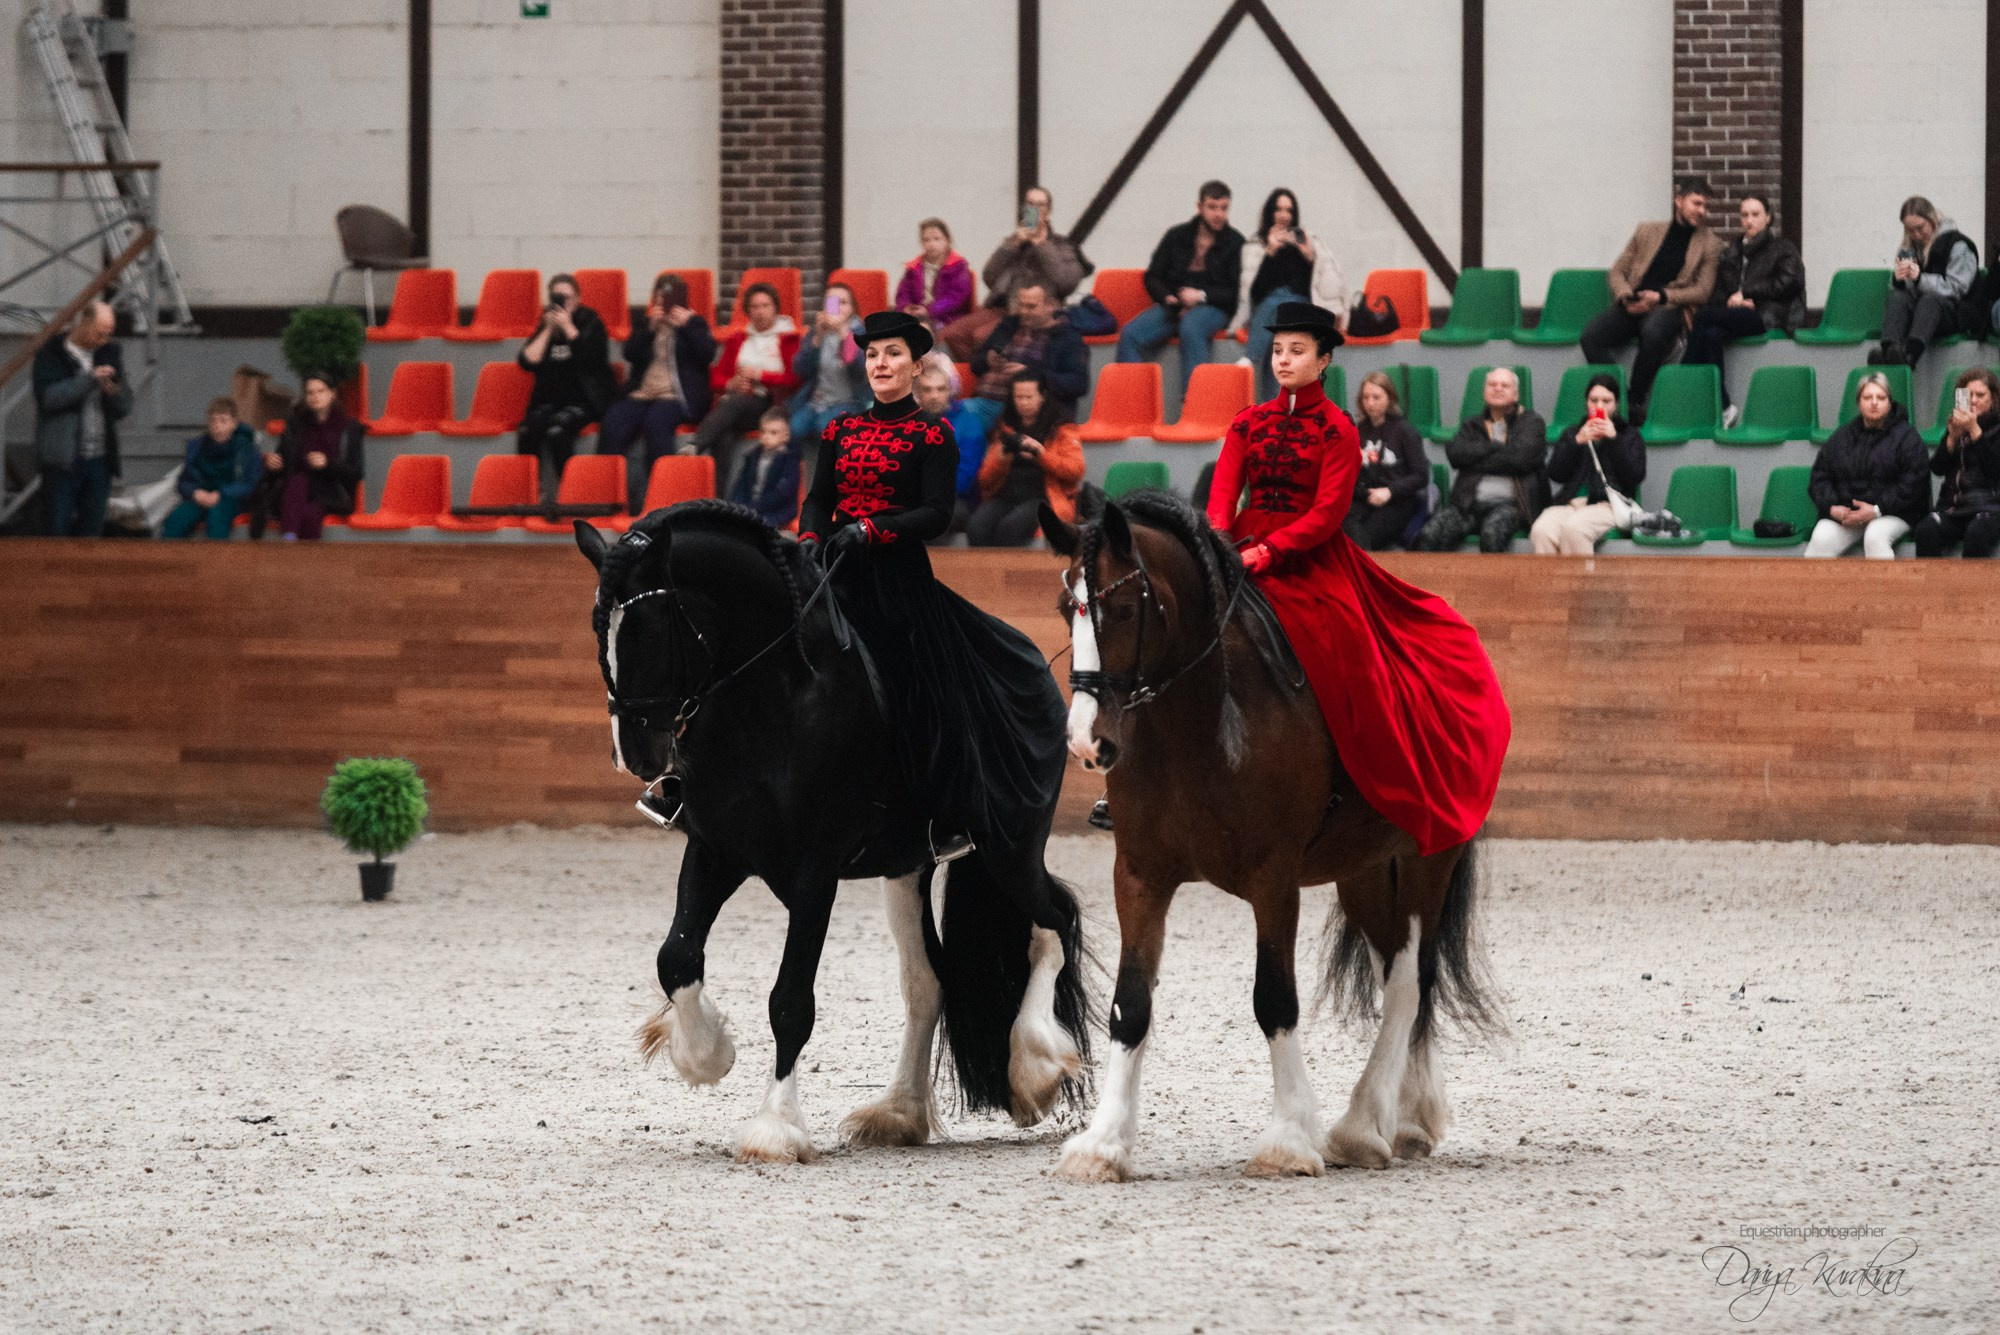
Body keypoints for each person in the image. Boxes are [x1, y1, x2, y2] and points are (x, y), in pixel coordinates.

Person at [1199, 300, 1509, 857]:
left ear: (1322, 363)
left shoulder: (1337, 430)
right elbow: (1221, 496)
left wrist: (1268, 552)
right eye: (1277, 351)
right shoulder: (1246, 423)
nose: (1284, 360)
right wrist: (1220, 544)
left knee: (1350, 652)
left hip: (1310, 557)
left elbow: (1326, 513)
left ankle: (1353, 782)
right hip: (1239, 550)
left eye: (1296, 351)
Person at [798, 310, 1065, 864]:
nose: (881, 364)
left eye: (892, 354)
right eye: (873, 355)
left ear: (916, 365)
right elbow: (819, 498)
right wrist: (808, 537)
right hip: (832, 571)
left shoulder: (931, 433)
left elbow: (937, 514)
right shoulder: (839, 428)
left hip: (897, 583)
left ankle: (943, 817)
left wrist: (872, 529)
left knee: (924, 692)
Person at [1580, 179, 1723, 418]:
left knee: (1654, 333)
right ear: (1679, 201)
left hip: (1667, 306)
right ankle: (1620, 396)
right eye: (1696, 203)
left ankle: (1635, 400)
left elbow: (1702, 290)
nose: (1701, 211)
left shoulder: (1710, 243)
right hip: (1633, 303)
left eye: (1705, 206)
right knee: (1590, 337)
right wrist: (1626, 295)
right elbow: (1616, 271)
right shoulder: (1647, 231)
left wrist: (1661, 296)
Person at [600, 272, 717, 513]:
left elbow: (706, 354)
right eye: (660, 297)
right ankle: (610, 499)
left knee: (657, 425)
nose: (665, 303)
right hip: (643, 393)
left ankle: (661, 499)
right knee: (612, 423)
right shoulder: (646, 324)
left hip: (675, 395)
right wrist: (650, 328)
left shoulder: (694, 323)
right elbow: (630, 354)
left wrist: (686, 327)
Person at [1683, 195, 1805, 424]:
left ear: (1768, 218)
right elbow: (1719, 291)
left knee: (1702, 317)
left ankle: (1684, 381)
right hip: (1735, 314)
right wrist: (1732, 301)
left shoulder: (1782, 248)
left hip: (1766, 315)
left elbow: (1790, 281)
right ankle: (1725, 407)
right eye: (1745, 215)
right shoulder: (1733, 250)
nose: (1750, 220)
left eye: (1756, 214)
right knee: (1709, 334)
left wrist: (1748, 294)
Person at [1117, 180, 1244, 395]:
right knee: (1130, 334)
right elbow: (1153, 276)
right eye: (1212, 207)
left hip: (1214, 306)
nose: (1218, 214)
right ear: (1200, 207)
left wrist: (1201, 296)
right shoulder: (1177, 236)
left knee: (1192, 326)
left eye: (1224, 208)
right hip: (1174, 306)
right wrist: (1168, 299)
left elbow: (1236, 293)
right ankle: (1132, 402)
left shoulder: (1236, 242)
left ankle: (1195, 408)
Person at [943, 184, 1092, 360]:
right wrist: (1010, 246)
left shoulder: (1063, 246)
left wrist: (1041, 244)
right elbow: (989, 278)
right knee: (953, 334)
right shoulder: (1014, 243)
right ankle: (983, 375)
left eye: (1040, 205)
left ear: (1048, 213)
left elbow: (1066, 283)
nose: (1035, 209)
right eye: (1030, 204)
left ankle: (990, 377)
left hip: (1032, 311)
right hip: (1001, 306)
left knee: (981, 337)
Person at [1233, 188, 1347, 403]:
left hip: (1300, 303)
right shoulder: (1258, 245)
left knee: (1281, 306)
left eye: (1289, 210)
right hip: (1269, 310)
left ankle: (1250, 357)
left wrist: (1310, 258)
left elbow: (1323, 283)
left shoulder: (1306, 241)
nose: (1284, 215)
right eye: (1279, 210)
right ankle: (1277, 408)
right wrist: (1270, 253)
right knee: (1277, 348)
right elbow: (1254, 292)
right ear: (1270, 212)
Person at [1415, 367, 1549, 552]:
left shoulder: (1531, 422)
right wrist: (1496, 447)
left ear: (1516, 394)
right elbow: (1456, 455)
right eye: (1492, 384)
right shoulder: (1472, 424)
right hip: (1468, 504)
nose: (1498, 388)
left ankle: (1494, 582)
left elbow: (1520, 460)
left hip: (1512, 506)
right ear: (1485, 391)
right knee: (1429, 534)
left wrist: (1476, 459)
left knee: (1492, 535)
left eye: (1505, 385)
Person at [33, 300, 131, 537]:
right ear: (84, 323)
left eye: (108, 334)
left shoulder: (109, 354)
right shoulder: (51, 353)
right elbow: (49, 398)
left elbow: (125, 406)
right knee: (57, 530)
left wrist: (113, 392)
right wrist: (89, 380)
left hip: (99, 460)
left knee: (92, 533)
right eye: (99, 333)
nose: (103, 340)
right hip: (63, 460)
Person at [1804, 372, 1928, 560]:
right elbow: (1819, 477)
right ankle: (1817, 590)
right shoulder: (1842, 436)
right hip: (1849, 515)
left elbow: (1913, 484)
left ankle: (1883, 590)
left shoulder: (1907, 438)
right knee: (1821, 537)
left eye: (1880, 397)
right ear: (1858, 402)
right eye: (1867, 397)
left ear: (1889, 402)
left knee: (1875, 535)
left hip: (1894, 513)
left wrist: (1876, 510)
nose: (1874, 402)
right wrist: (1831, 508)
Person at [516, 272, 615, 502]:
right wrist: (549, 329)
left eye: (568, 297)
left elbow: (594, 358)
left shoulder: (590, 321)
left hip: (584, 400)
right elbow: (527, 361)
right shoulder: (546, 323)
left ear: (578, 298)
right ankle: (532, 493)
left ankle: (571, 495)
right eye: (557, 297)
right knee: (527, 430)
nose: (563, 302)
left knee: (557, 431)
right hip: (549, 400)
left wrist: (569, 327)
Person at [689, 282, 800, 485]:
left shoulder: (789, 338)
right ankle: (719, 502)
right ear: (747, 311)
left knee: (735, 403)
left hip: (772, 404)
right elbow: (716, 376)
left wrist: (761, 375)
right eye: (754, 307)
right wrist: (730, 383)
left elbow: (793, 379)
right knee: (724, 435)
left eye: (765, 306)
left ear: (776, 308)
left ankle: (694, 445)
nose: (760, 312)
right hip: (739, 405)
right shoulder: (739, 339)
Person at [1530, 374, 1646, 556]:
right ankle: (1551, 584)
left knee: (1575, 529)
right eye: (1594, 400)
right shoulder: (1573, 433)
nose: (1599, 406)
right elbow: (1555, 474)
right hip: (1570, 503)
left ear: (1616, 405)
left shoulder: (1629, 435)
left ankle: (1580, 584)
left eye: (1606, 401)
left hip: (1607, 505)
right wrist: (1576, 442)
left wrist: (1614, 440)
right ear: (1586, 403)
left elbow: (1635, 476)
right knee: (1541, 529)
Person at [968, 369, 1084, 548]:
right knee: (977, 526)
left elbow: (1075, 471)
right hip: (1005, 496)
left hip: (1043, 497)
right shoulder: (1005, 427)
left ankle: (1006, 575)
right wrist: (1001, 458)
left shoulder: (1062, 428)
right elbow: (984, 480)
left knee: (1011, 527)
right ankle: (983, 575)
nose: (1023, 403)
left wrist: (1041, 454)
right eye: (1018, 397)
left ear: (1042, 396)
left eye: (1029, 397)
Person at [965, 280, 1089, 435]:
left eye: (1031, 306)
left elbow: (1078, 383)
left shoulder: (1067, 338)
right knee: (949, 417)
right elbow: (975, 365)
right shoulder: (1009, 325)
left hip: (1029, 411)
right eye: (1021, 305)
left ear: (1050, 305)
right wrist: (988, 359)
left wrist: (1030, 374)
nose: (1023, 311)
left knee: (965, 423)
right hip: (986, 402)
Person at [1871, 196, 1979, 369]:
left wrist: (1920, 279)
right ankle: (1889, 351)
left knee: (1930, 300)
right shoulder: (1911, 247)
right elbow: (1907, 290)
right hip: (1921, 313)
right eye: (1910, 230)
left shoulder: (1958, 245)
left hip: (1954, 313)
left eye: (1920, 228)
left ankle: (1910, 356)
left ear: (1932, 220)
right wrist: (1899, 280)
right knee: (1898, 296)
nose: (1916, 235)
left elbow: (1957, 288)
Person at [266, 371, 365, 541]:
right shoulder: (295, 424)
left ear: (332, 394)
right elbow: (284, 460)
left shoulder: (349, 428)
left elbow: (356, 472)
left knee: (300, 483)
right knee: (308, 509)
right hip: (298, 490)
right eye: (310, 392)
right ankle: (300, 554)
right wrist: (273, 463)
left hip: (331, 491)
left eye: (321, 391)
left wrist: (328, 464)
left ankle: (288, 540)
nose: (315, 396)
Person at [1913, 368, 2000, 557]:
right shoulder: (1958, 426)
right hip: (1954, 507)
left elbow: (1995, 471)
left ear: (1993, 399)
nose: (1974, 400)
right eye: (1969, 395)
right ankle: (1932, 586)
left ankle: (1971, 588)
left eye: (1980, 395)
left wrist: (1975, 431)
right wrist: (1952, 438)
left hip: (1990, 508)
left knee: (1977, 535)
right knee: (1926, 530)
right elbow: (1937, 468)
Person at [1343, 371, 1427, 552]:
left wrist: (1390, 491)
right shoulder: (1359, 430)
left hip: (1397, 500)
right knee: (1340, 522)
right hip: (1365, 497)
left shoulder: (1405, 431)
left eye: (1376, 397)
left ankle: (1361, 573)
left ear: (1389, 398)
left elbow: (1421, 475)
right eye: (1365, 398)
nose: (1370, 403)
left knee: (1365, 534)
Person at [163, 397, 260, 539]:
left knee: (217, 517)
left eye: (223, 421)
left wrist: (222, 493)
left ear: (234, 424)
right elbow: (184, 481)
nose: (217, 426)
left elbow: (250, 484)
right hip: (201, 496)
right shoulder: (197, 447)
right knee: (176, 519)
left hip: (231, 498)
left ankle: (216, 559)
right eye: (213, 421)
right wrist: (195, 493)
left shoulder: (247, 449)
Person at [788, 282, 865, 448]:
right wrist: (817, 339)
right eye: (832, 303)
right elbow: (801, 370)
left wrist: (843, 334)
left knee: (824, 427)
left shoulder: (862, 333)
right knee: (793, 429)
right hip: (816, 401)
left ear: (852, 308)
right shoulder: (816, 332)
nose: (837, 307)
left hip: (849, 401)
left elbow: (860, 371)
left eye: (843, 303)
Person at [727, 406, 802, 529]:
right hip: (750, 508)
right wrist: (737, 505)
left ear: (786, 436)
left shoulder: (790, 460)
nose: (766, 436)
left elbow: (782, 495)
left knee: (756, 528)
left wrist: (753, 508)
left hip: (776, 512)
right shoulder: (752, 457)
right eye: (763, 431)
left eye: (773, 433)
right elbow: (741, 485)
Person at [895, 218, 974, 330]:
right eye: (926, 240)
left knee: (924, 330)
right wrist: (906, 307)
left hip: (945, 318)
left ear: (947, 240)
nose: (932, 244)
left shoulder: (958, 266)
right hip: (916, 316)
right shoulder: (914, 267)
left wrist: (929, 310)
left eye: (937, 239)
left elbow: (955, 298)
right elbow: (903, 292)